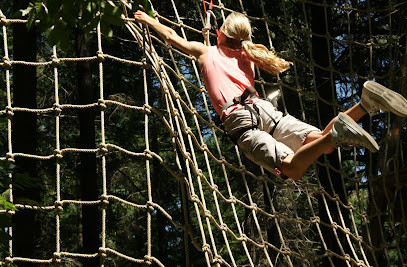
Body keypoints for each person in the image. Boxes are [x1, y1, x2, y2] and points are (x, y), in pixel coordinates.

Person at [134, 11, 407, 180]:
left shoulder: (207, 51)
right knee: (322, 143)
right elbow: (232, 48)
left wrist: (149, 21)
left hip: (238, 118)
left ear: (219, 33)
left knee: (292, 168)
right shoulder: (249, 55)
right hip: (264, 110)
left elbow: (171, 36)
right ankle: (364, 104)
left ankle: (341, 131)